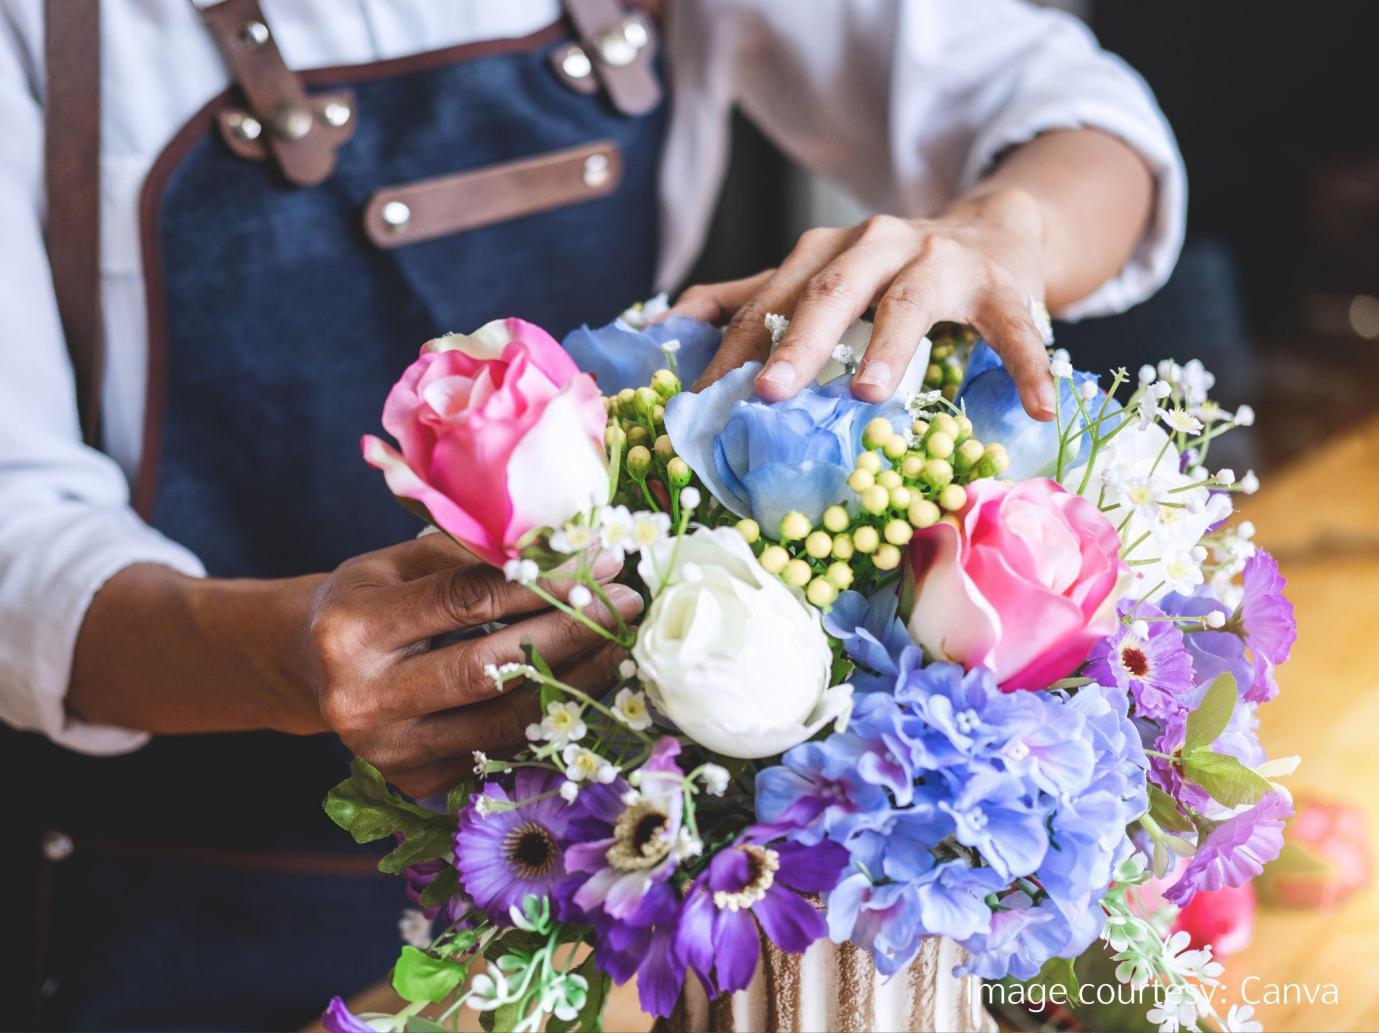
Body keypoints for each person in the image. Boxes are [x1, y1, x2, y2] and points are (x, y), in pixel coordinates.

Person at [0, 0, 1183, 1027]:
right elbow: (17, 532)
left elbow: (1078, 115)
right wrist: (283, 656)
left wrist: (996, 232)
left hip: (631, 915)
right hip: (185, 907)